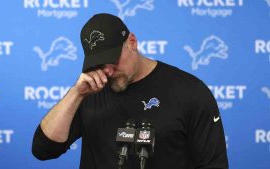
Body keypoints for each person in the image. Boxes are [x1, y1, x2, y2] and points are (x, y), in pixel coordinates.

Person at [32, 13, 229, 169]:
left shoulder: (189, 91)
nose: (107, 71)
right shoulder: (90, 91)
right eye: (99, 63)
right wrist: (76, 94)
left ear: (132, 42)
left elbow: (213, 165)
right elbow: (43, 150)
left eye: (113, 60)